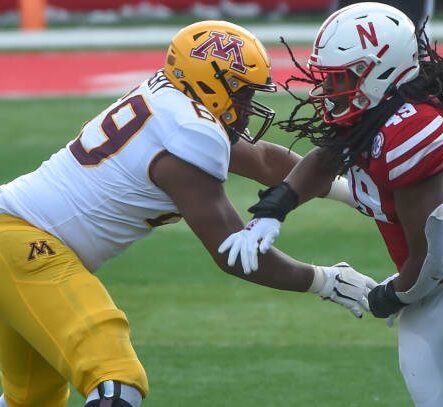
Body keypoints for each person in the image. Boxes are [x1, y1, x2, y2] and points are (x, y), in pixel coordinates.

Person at [0, 21, 376, 407]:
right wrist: (325, 281)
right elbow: (236, 254)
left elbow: (263, 159)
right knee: (117, 379)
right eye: (242, 93)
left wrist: (351, 192)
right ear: (210, 83)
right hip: (27, 246)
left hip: (16, 240)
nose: (248, 107)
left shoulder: (171, 101)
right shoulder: (190, 131)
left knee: (32, 398)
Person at [219, 3, 443, 406]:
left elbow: (431, 259)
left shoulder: (413, 128)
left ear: (380, 72)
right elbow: (325, 159)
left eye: (341, 78)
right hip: (428, 288)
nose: (329, 90)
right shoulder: (375, 114)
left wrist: (388, 295)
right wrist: (273, 209)